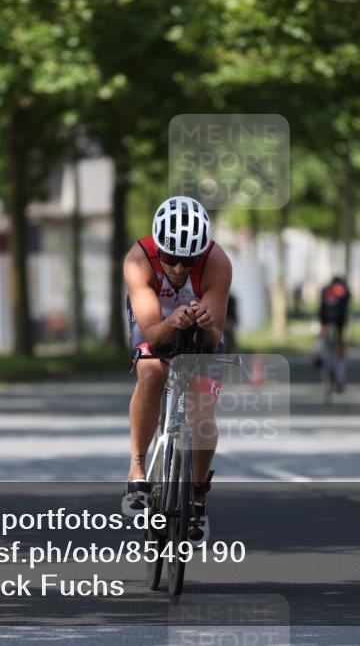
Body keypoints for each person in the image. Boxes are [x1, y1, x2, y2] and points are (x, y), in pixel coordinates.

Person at [121, 196, 232, 543]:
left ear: (201, 254)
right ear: (158, 249)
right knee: (152, 372)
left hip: (200, 330)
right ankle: (137, 469)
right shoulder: (138, 261)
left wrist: (206, 322)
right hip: (155, 321)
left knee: (201, 409)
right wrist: (172, 321)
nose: (179, 269)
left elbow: (213, 341)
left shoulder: (218, 263)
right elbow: (153, 333)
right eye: (170, 259)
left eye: (188, 260)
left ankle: (198, 497)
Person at [314, 276, 351, 389]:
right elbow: (347, 308)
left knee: (322, 330)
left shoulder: (326, 289)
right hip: (340, 318)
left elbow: (321, 306)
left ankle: (318, 352)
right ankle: (340, 377)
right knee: (340, 342)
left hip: (325, 316)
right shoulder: (345, 291)